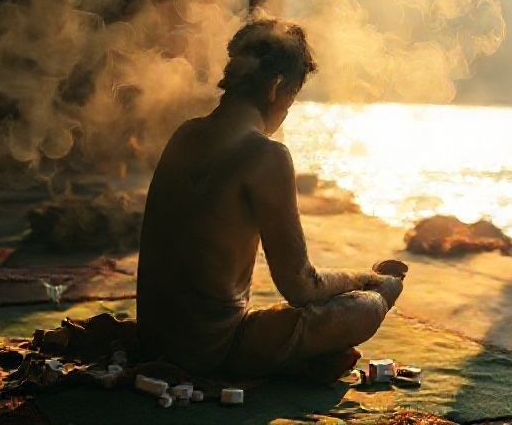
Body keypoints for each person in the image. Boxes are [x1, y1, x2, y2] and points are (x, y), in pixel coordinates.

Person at [137, 19, 403, 382]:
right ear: (277, 88)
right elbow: (301, 285)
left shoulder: (185, 134)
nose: (287, 112)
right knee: (366, 308)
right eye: (292, 100)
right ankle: (381, 292)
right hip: (212, 350)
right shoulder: (267, 155)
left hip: (152, 340)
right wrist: (370, 282)